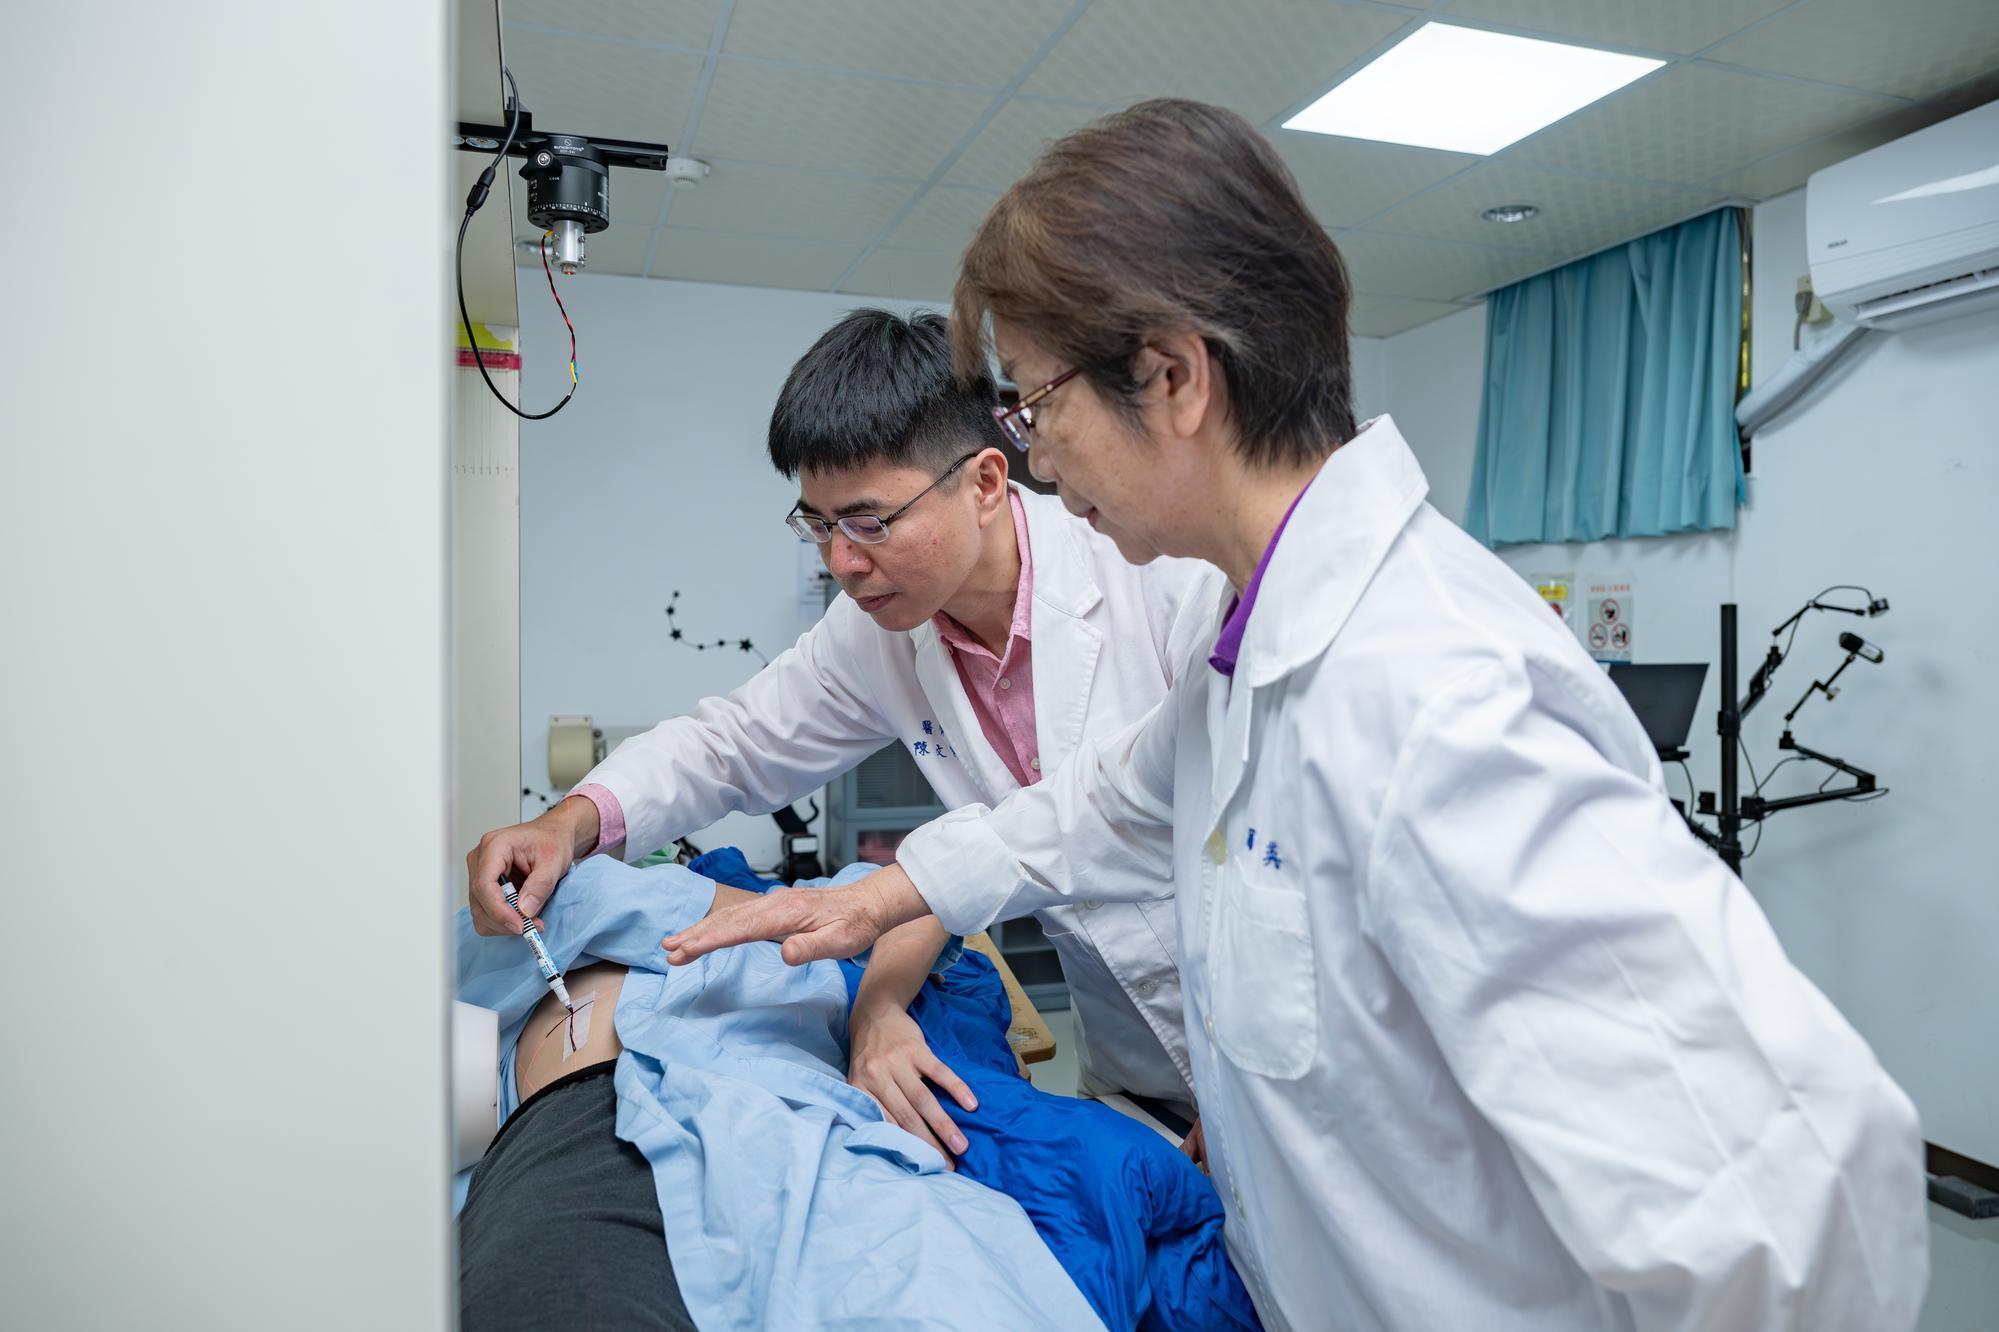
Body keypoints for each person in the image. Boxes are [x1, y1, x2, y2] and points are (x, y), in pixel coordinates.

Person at [659, 100, 1930, 1331]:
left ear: (1168, 379)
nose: (1039, 462)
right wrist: (876, 902)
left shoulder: (1436, 691)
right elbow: (1101, 804)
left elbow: (1795, 1201)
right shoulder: (1254, 645)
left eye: (1042, 411)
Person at [465, 309, 1225, 1160]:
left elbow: (1167, 823)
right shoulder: (880, 633)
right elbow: (734, 742)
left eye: (868, 521)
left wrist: (1246, 1093)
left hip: (1265, 1048)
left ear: (982, 483)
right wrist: (569, 821)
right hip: (1128, 1069)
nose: (841, 561)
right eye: (818, 524)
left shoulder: (1164, 583)